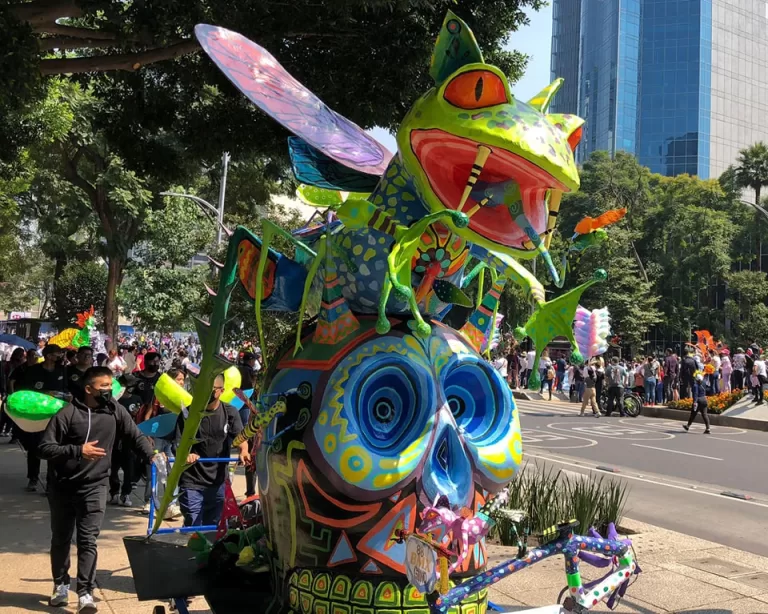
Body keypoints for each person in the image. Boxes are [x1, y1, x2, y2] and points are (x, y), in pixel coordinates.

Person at [39, 366, 158, 613]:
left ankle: (85, 592)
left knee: (88, 540)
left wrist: (152, 456)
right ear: (88, 389)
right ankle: (60, 585)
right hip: (62, 487)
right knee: (61, 538)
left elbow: (135, 436)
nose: (108, 390)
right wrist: (77, 450)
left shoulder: (115, 410)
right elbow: (45, 448)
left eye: (110, 385)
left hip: (95, 486)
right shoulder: (67, 413)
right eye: (103, 386)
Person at [175, 373, 250, 526]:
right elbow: (178, 444)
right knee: (194, 525)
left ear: (222, 390)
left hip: (218, 481)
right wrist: (187, 454)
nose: (208, 393)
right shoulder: (188, 414)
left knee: (215, 528)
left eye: (213, 389)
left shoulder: (230, 413)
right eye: (205, 389)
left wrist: (243, 451)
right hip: (192, 480)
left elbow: (241, 437)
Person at [15, 343, 69, 491]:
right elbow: (26, 390)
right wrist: (45, 393)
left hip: (56, 413)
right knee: (35, 447)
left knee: (55, 447)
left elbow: (65, 388)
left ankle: (51, 481)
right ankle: (33, 478)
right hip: (38, 413)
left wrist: (66, 396)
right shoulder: (33, 371)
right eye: (57, 354)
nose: (60, 356)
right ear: (49, 356)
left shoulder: (62, 370)